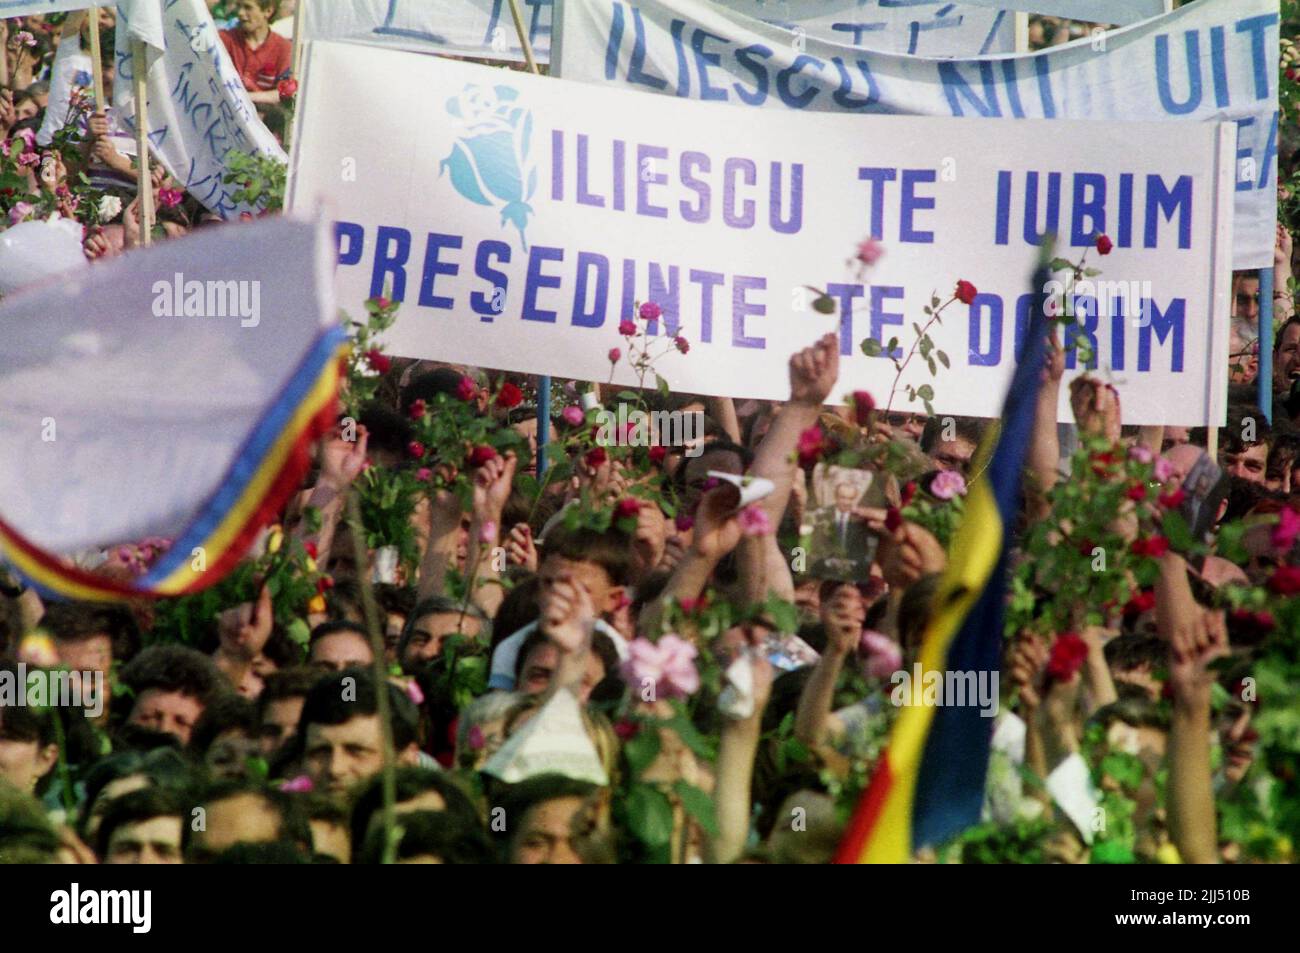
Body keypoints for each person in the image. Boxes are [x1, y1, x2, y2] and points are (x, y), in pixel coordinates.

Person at [219, 0, 291, 104]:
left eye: (248, 7)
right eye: (239, 6)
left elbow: (286, 92)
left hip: (263, 114)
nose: (240, 13)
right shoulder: (224, 39)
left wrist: (247, 97)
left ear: (268, 11)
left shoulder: (284, 48)